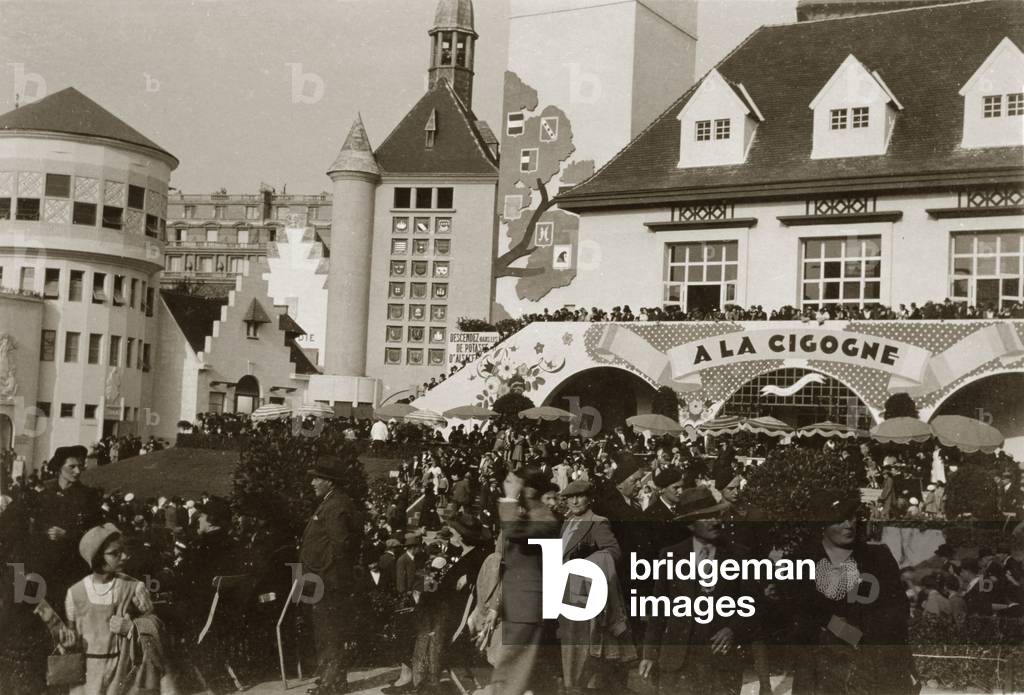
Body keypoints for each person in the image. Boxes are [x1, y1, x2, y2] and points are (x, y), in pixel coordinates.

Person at [790, 489, 916, 694]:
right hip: (821, 668)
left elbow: (898, 607)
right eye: (839, 520)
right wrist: (842, 630)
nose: (848, 525)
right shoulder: (801, 562)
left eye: (851, 517)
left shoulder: (878, 557)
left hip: (875, 664)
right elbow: (802, 612)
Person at [639, 487, 755, 695]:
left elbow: (752, 604)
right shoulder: (671, 556)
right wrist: (649, 653)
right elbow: (659, 608)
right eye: (706, 518)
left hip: (720, 659)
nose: (715, 522)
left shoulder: (738, 555)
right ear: (690, 524)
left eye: (716, 515)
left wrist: (733, 629)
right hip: (678, 659)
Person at [61, 523, 171, 694]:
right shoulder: (75, 593)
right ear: (97, 558)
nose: (125, 556)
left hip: (123, 674)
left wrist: (133, 628)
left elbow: (157, 627)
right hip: (87, 677)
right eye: (115, 553)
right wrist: (67, 642)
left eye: (123, 550)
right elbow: (72, 634)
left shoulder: (134, 588)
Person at [556, 480, 627, 694]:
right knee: (570, 650)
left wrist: (588, 560)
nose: (575, 501)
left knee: (585, 651)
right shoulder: (567, 522)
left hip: (585, 594)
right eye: (570, 497)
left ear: (589, 498)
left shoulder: (598, 522)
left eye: (580, 496)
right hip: (566, 593)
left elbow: (614, 552)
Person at [300, 455, 363, 695]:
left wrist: (323, 572)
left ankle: (331, 684)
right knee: (326, 631)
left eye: (317, 479)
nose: (312, 483)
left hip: (327, 581)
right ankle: (332, 679)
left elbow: (341, 546)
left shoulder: (336, 504)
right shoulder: (332, 501)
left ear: (330, 481)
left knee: (330, 632)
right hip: (324, 580)